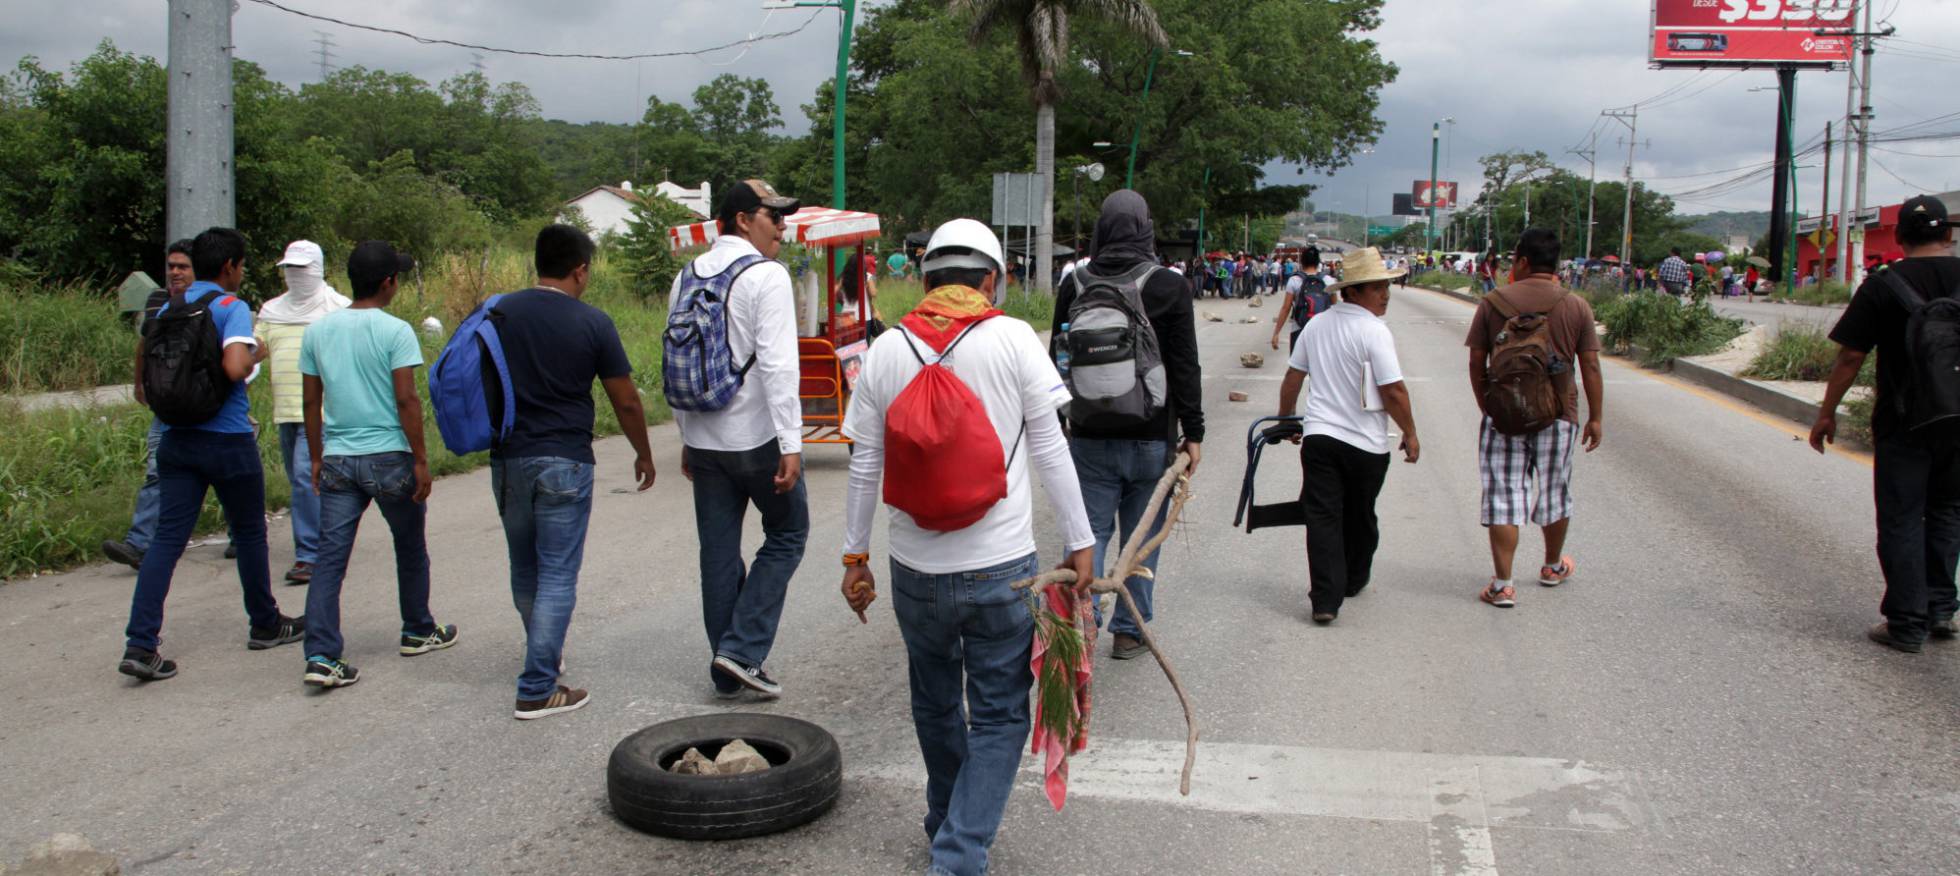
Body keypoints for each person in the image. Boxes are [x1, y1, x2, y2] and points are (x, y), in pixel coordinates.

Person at [839, 218, 1097, 876]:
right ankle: (957, 850)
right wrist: (1080, 540)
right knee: (1001, 715)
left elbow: (864, 465)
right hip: (999, 571)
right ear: (991, 280)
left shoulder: (886, 349)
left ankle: (946, 818)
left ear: (925, 281)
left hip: (915, 572)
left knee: (933, 701)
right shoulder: (1012, 338)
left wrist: (854, 557)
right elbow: (1049, 446)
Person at [118, 227, 298, 681]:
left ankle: (141, 644)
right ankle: (265, 623)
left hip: (177, 440)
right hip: (227, 440)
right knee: (250, 533)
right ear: (230, 267)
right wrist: (255, 353)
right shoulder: (227, 306)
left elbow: (142, 386)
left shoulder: (163, 306)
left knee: (166, 542)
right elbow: (236, 367)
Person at [493, 224, 657, 719]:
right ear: (580, 270)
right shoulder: (593, 322)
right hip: (564, 459)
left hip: (507, 458)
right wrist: (644, 453)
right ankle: (539, 684)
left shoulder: (499, 313)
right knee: (559, 573)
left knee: (525, 567)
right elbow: (625, 400)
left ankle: (543, 654)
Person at [671, 180, 809, 700]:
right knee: (789, 533)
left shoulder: (686, 275)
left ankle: (725, 665)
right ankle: (742, 650)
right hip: (754, 439)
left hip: (704, 439)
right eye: (773, 217)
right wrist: (791, 442)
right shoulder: (765, 276)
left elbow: (678, 362)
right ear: (743, 219)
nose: (782, 227)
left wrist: (686, 435)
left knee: (719, 552)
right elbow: (778, 364)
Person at [1051, 190, 1204, 660]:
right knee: (1139, 538)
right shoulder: (1168, 285)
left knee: (1089, 533)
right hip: (1152, 435)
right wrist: (1193, 433)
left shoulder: (1073, 283)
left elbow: (1057, 358)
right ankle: (1129, 630)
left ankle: (1080, 623)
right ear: (1145, 228)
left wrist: (1064, 417)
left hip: (1090, 436)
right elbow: (1184, 365)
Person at [295, 241, 456, 689]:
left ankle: (322, 655)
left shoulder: (318, 332)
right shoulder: (396, 331)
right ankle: (418, 629)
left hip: (339, 458)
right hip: (389, 457)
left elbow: (311, 401)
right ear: (388, 283)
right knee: (409, 545)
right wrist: (421, 460)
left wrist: (314, 456)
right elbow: (406, 398)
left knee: (330, 558)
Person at [1810, 194, 1960, 654]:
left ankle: (1906, 622)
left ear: (1898, 237)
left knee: (1901, 517)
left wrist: (1826, 411)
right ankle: (1940, 609)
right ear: (1949, 235)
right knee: (1947, 510)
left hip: (1903, 421)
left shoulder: (1883, 284)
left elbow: (1852, 354)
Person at [1276, 247, 1419, 624]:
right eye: (1376, 288)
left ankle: (1326, 598)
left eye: (1386, 287)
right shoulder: (1374, 331)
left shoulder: (1316, 325)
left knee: (1323, 519)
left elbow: (1293, 377)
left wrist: (1286, 419)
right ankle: (1351, 580)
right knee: (1359, 516)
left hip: (1320, 439)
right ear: (1354, 291)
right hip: (1366, 447)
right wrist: (1410, 432)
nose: (1385, 294)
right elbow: (1394, 391)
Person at [1465, 229, 1605, 609]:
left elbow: (1477, 361)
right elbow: (1589, 364)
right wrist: (1595, 417)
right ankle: (1552, 565)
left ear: (1523, 261)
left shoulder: (1492, 303)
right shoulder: (1575, 306)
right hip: (1559, 414)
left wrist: (1488, 406)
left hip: (1503, 416)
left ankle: (1504, 585)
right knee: (1554, 488)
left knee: (1504, 494)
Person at [255, 240, 350, 587]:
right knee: (309, 481)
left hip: (323, 411)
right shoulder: (271, 311)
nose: (295, 276)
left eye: (301, 269)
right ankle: (328, 537)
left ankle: (309, 555)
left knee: (302, 477)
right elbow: (256, 351)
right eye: (288, 270)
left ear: (318, 269)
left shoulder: (338, 309)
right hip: (286, 410)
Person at [102, 238, 199, 570]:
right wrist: (139, 383)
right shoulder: (157, 299)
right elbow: (144, 345)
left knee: (224, 473)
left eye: (182, 266)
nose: (175, 272)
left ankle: (241, 533)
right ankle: (139, 543)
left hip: (204, 404)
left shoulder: (208, 301)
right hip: (167, 405)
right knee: (157, 469)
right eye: (171, 266)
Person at [1272, 249, 1333, 354]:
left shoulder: (1295, 280)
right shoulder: (1328, 280)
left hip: (1299, 329)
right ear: (1318, 262)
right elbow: (1334, 307)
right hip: (1322, 331)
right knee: (1319, 369)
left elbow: (1286, 308)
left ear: (1302, 262)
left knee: (1297, 367)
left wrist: (1276, 333)